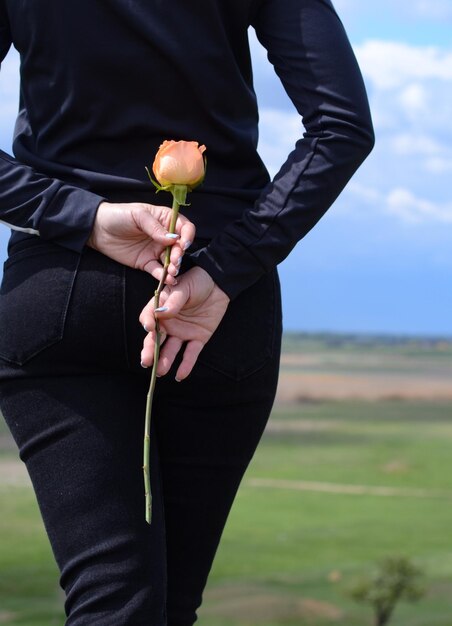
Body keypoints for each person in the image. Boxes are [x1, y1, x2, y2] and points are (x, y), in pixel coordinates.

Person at [0, 0, 374, 624]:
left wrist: (80, 216)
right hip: (217, 301)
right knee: (170, 607)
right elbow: (342, 126)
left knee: (114, 601)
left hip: (59, 289)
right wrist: (229, 267)